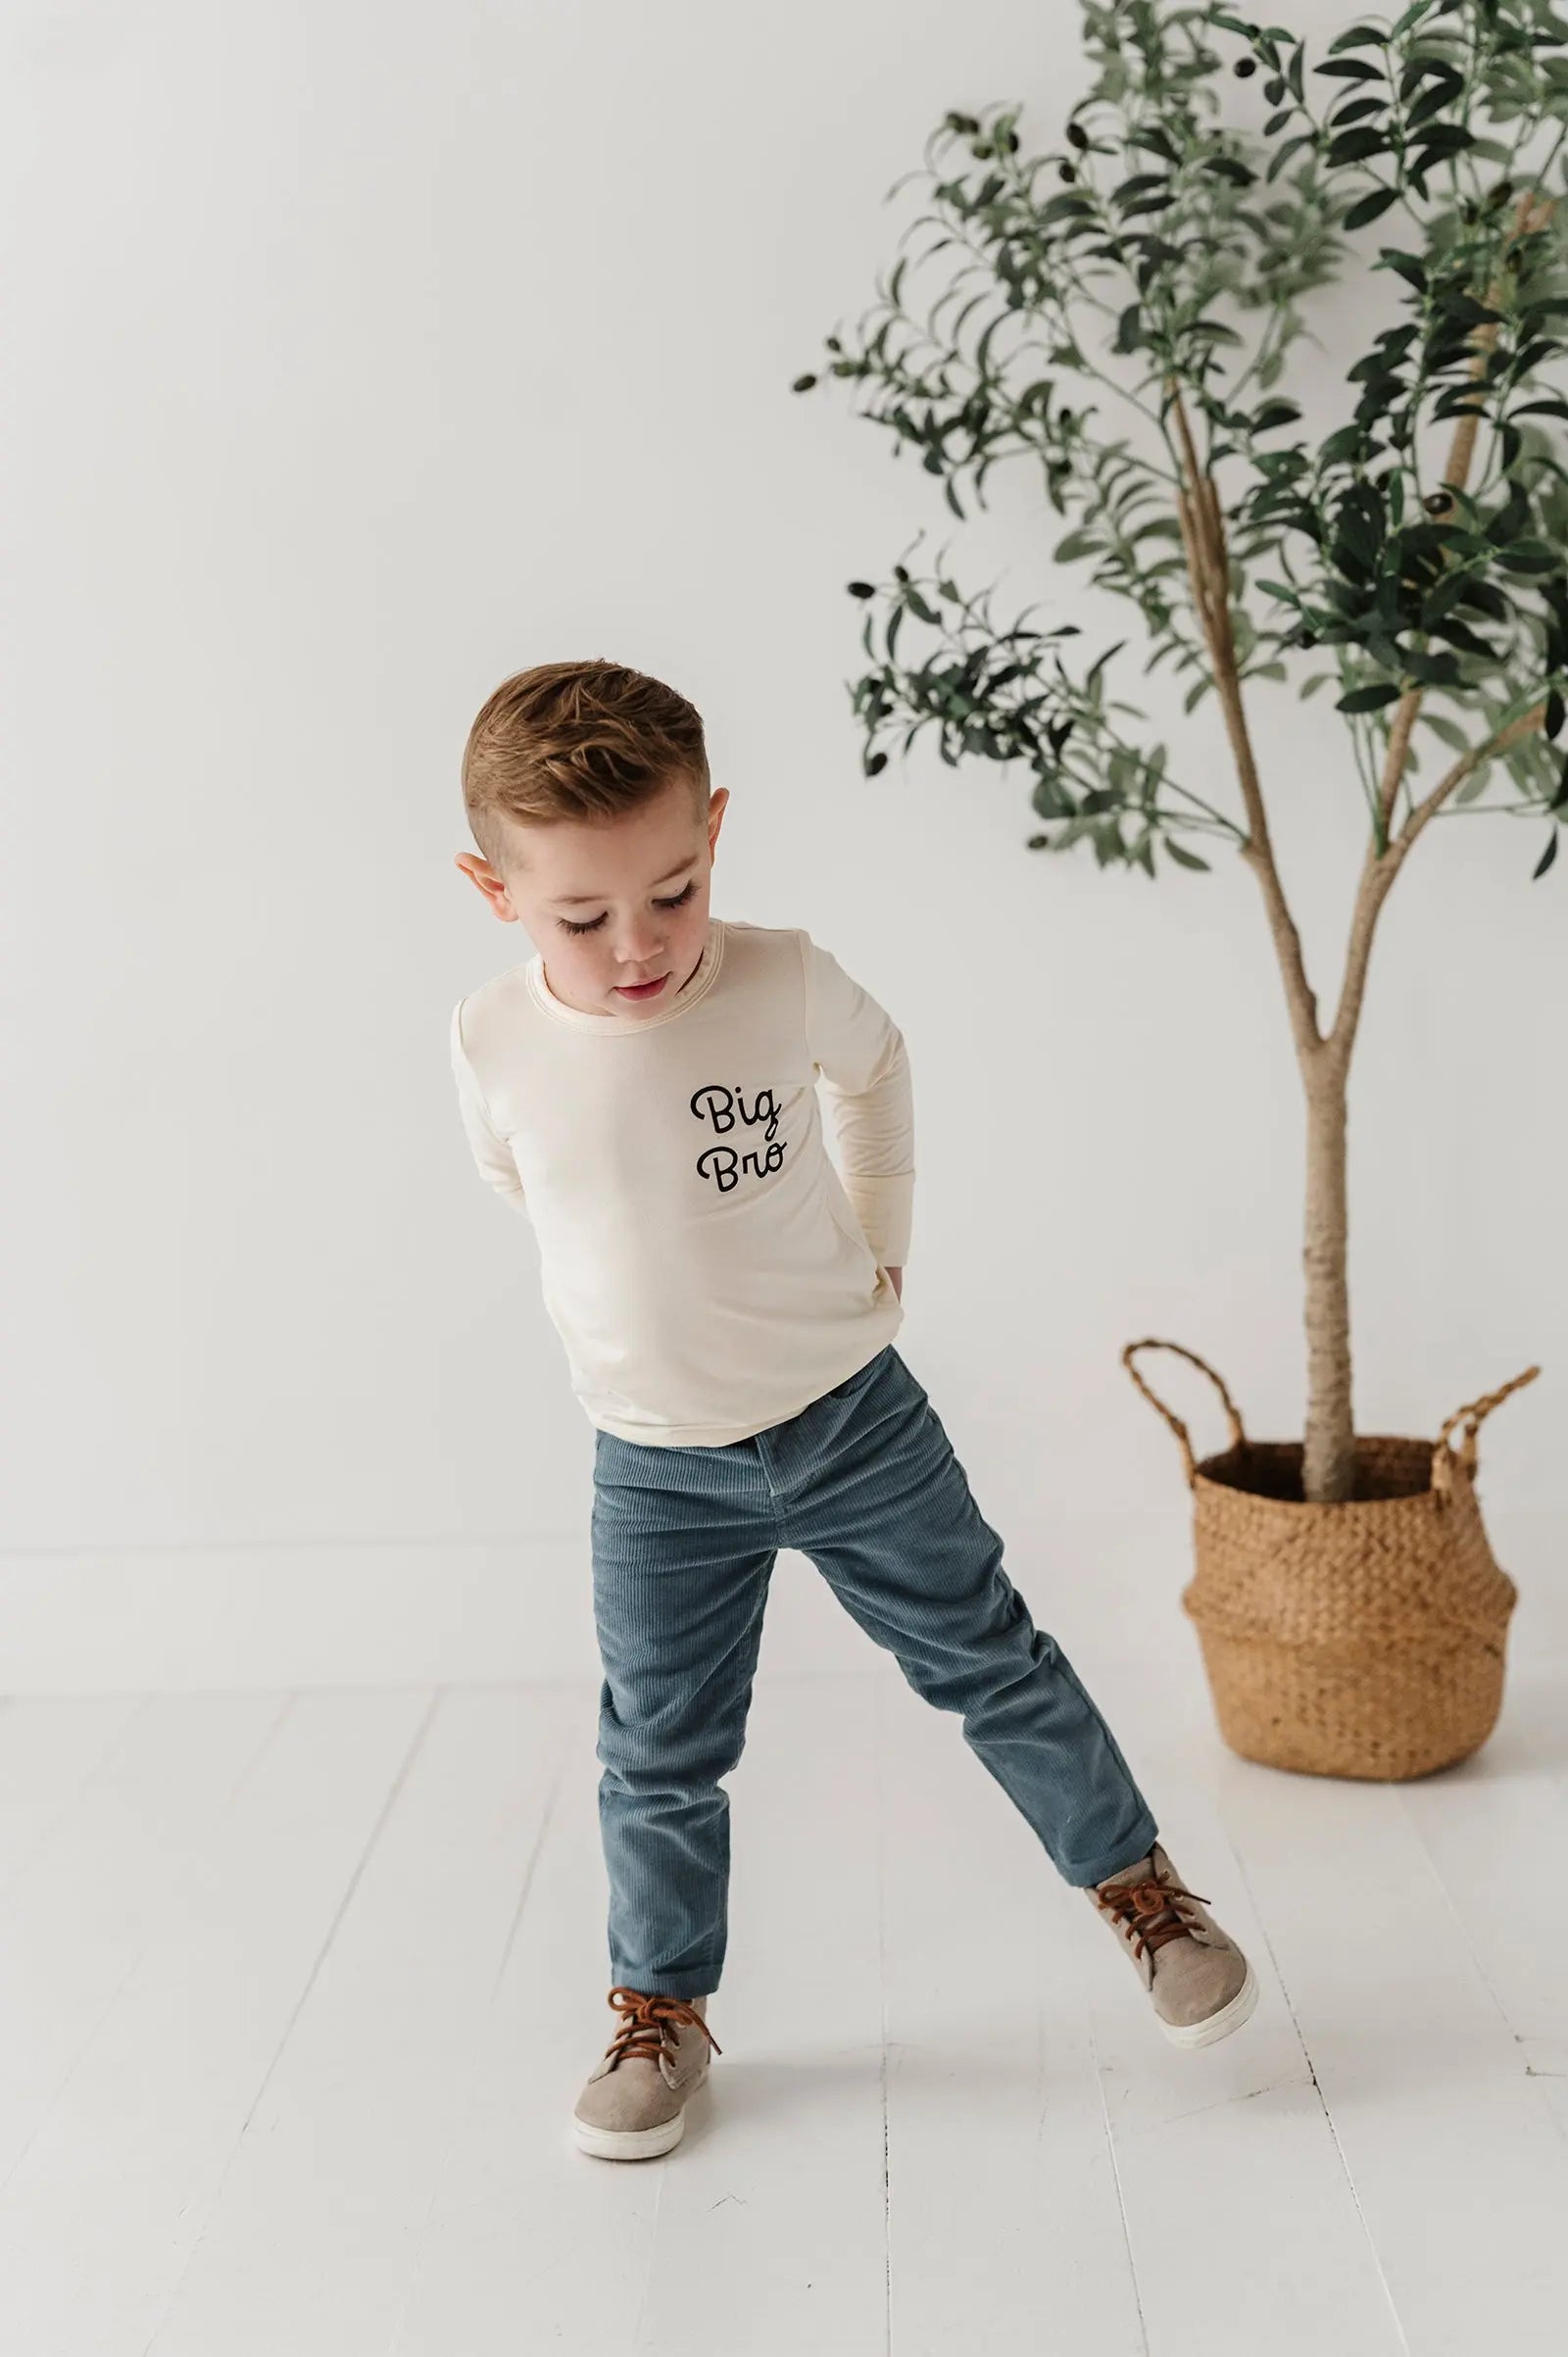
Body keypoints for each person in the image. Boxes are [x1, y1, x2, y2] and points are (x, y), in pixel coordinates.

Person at [449, 659, 1256, 2164]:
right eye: (583, 917)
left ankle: (1140, 1888)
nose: (640, 944)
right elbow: (531, 1181)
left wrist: (884, 1242)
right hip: (657, 1465)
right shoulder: (492, 1041)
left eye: (673, 892)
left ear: (715, 832)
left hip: (851, 1418)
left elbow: (875, 1070)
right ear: (496, 892)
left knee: (991, 1655)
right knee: (658, 1749)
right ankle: (661, 2004)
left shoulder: (782, 978)